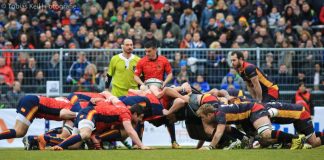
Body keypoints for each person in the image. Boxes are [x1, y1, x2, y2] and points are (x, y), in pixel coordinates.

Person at [196, 103, 303, 150]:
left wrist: (210, 147)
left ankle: (296, 138)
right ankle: (287, 143)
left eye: (202, 117)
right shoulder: (217, 112)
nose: (202, 120)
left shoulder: (219, 114)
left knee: (265, 134)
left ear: (209, 115)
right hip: (246, 119)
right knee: (262, 141)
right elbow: (227, 129)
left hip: (254, 110)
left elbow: (218, 133)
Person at [51, 102, 151, 150]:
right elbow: (130, 131)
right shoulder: (126, 113)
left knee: (74, 146)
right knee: (85, 134)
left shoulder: (123, 109)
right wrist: (141, 145)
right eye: (140, 117)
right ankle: (59, 146)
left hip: (88, 114)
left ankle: (45, 138)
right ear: (134, 114)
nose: (140, 120)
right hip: (89, 113)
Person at [0, 95, 78, 141]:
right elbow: (62, 114)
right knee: (19, 132)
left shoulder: (66, 100)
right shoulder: (71, 107)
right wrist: (77, 114)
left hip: (31, 100)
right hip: (33, 103)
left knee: (19, 131)